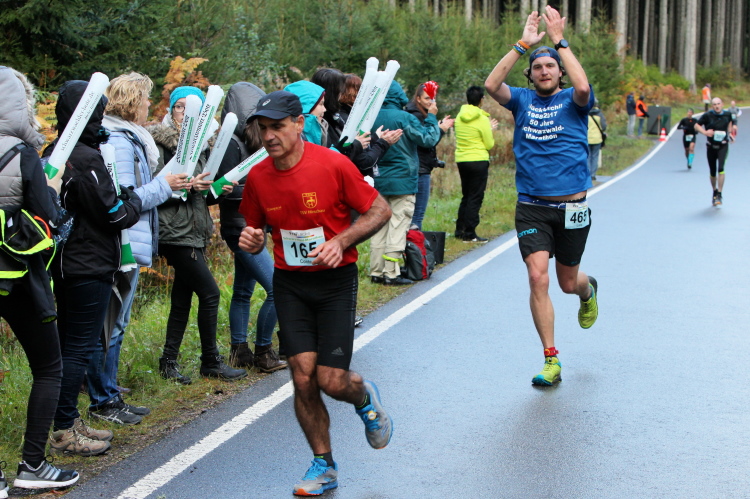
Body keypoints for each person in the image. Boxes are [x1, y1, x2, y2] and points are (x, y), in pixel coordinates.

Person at [237, 91, 394, 496]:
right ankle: (324, 465)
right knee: (303, 377)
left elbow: (380, 210)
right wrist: (251, 240)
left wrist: (341, 240)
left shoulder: (332, 164)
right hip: (291, 284)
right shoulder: (258, 177)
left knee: (332, 380)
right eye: (263, 128)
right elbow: (254, 231)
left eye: (277, 126)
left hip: (335, 282)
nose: (268, 136)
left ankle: (364, 398)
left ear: (299, 124)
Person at [484, 6, 599, 386]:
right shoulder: (520, 100)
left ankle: (587, 290)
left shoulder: (573, 101)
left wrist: (559, 41)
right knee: (538, 277)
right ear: (530, 74)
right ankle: (551, 359)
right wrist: (522, 44)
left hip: (572, 208)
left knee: (567, 283)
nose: (544, 71)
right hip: (532, 206)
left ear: (559, 72)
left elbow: (584, 87)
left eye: (550, 66)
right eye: (538, 67)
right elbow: (491, 85)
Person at [85, 72, 187, 425]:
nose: (148, 104)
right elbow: (126, 198)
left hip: (131, 240)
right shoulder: (121, 141)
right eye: (145, 98)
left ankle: (109, 392)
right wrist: (164, 185)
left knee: (117, 322)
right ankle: (104, 400)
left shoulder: (129, 136)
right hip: (123, 243)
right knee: (111, 324)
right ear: (131, 102)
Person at [47, 79, 142, 454]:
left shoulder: (56, 152)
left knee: (68, 345)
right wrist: (132, 201)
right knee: (78, 348)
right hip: (88, 264)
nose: (102, 121)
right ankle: (64, 429)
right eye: (98, 114)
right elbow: (115, 215)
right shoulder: (85, 158)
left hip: (65, 262)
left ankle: (68, 420)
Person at [0, 66, 80, 492]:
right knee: (49, 366)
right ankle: (32, 465)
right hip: (19, 279)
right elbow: (53, 219)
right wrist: (52, 185)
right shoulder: (22, 154)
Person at [148, 86, 246, 383]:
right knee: (210, 293)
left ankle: (168, 363)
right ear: (171, 111)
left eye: (192, 108)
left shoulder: (205, 145)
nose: (184, 113)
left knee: (182, 298)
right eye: (179, 107)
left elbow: (201, 195)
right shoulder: (160, 144)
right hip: (174, 231)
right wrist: (189, 186)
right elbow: (151, 192)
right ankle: (210, 361)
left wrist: (217, 190)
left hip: (195, 230)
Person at [216, 81, 286, 373]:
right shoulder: (231, 143)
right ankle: (263, 352)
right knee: (278, 288)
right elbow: (220, 188)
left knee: (243, 291)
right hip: (239, 226)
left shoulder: (260, 143)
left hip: (256, 225)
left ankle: (239, 352)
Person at [369, 81, 441, 285]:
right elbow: (428, 139)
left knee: (379, 225)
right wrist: (432, 117)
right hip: (403, 179)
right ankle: (391, 273)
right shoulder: (404, 117)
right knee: (398, 224)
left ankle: (376, 272)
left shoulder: (371, 117)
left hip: (378, 179)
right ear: (398, 95)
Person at [405, 82, 454, 231]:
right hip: (420, 169)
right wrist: (441, 130)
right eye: (427, 98)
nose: (431, 102)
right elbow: (427, 142)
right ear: (418, 98)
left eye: (433, 98)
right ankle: (414, 243)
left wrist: (437, 126)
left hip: (419, 166)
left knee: (412, 214)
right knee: (417, 215)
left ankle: (410, 242)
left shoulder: (418, 113)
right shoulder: (416, 116)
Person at [453, 85, 497, 242]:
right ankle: (470, 232)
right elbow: (489, 144)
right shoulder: (482, 119)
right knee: (475, 196)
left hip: (462, 160)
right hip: (478, 160)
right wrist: (490, 130)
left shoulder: (459, 117)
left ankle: (460, 229)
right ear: (481, 99)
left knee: (466, 195)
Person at [694, 97, 738, 206]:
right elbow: (696, 125)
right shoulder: (707, 115)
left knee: (721, 169)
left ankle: (719, 193)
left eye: (718, 104)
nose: (717, 106)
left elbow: (730, 123)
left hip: (723, 145)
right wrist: (705, 132)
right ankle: (714, 190)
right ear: (712, 106)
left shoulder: (727, 114)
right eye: (714, 104)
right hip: (711, 146)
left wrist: (730, 134)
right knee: (713, 171)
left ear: (722, 104)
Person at [587, 98, 606, 180]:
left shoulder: (585, 114)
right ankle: (593, 174)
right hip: (597, 139)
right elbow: (604, 127)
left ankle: (588, 174)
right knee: (595, 156)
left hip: (587, 138)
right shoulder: (599, 114)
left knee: (588, 157)